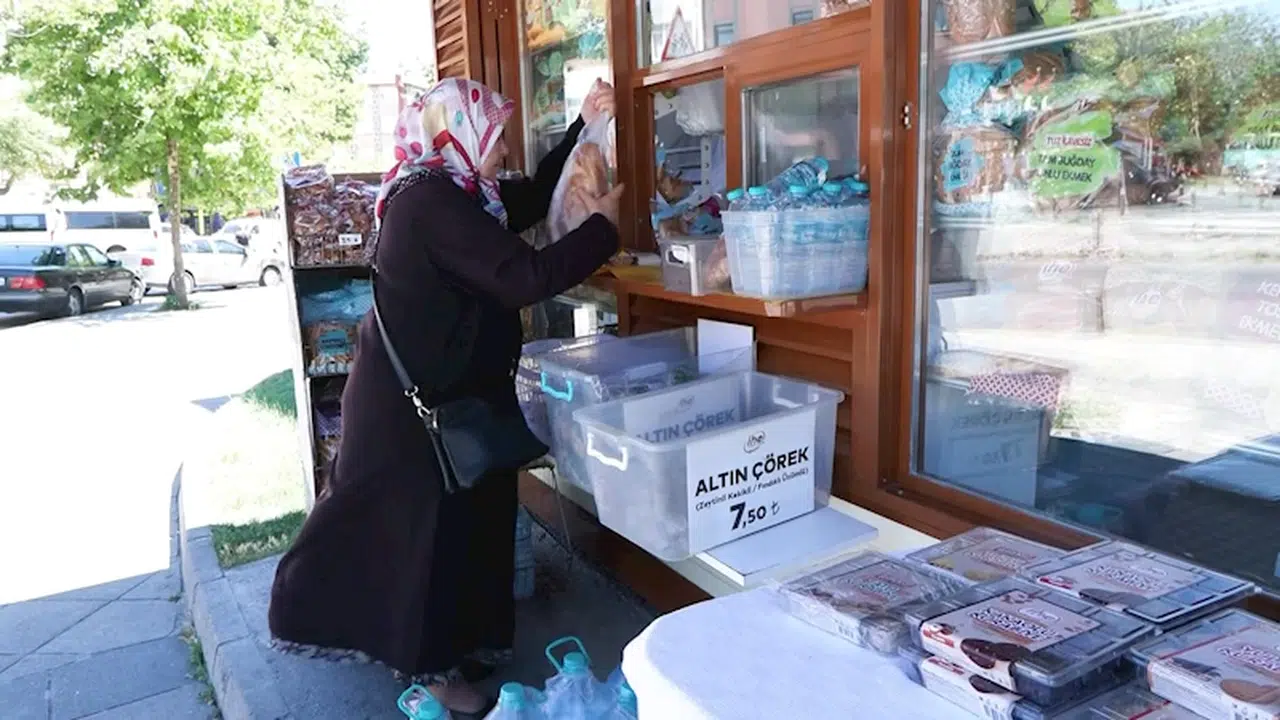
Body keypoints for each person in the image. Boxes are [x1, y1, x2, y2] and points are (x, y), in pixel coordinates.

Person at [266, 77, 623, 716]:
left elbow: (530, 197)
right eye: (496, 137)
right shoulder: (429, 205)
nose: (504, 149)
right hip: (408, 417)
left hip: (449, 401)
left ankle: (469, 642)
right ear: (454, 135)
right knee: (420, 538)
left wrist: (581, 126)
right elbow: (526, 277)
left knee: (470, 524)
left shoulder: (461, 192)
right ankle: (431, 673)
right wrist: (602, 229)